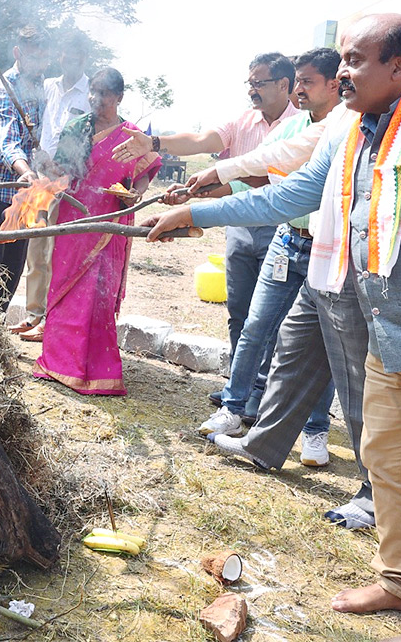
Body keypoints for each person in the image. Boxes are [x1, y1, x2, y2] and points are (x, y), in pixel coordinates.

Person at [145, 14, 401, 642]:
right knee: (385, 460)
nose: (342, 73)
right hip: (389, 330)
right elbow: (290, 194)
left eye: (355, 61)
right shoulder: (352, 127)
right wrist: (197, 210)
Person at [182, 49, 344, 462]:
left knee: (320, 343)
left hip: (327, 248)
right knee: (255, 326)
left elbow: (269, 166)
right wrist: (198, 195)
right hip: (288, 240)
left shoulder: (345, 127)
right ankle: (233, 409)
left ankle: (315, 430)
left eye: (307, 81)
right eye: (299, 81)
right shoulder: (292, 127)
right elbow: (257, 178)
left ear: (332, 84)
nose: (300, 89)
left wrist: (218, 177)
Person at [112, 53, 298, 363]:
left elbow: (264, 180)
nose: (252, 90)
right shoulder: (242, 121)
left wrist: (195, 195)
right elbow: (200, 140)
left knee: (273, 317)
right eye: (249, 83)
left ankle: (264, 393)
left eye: (259, 83)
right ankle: (237, 387)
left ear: (283, 84)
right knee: (239, 310)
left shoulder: (301, 124)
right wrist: (154, 143)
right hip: (239, 224)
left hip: (281, 229)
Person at [33, 68, 159, 395]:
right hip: (74, 216)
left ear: (119, 97)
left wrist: (138, 192)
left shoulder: (132, 135)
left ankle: (97, 370)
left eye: (104, 94)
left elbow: (145, 173)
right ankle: (57, 364)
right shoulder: (76, 127)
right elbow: (63, 172)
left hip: (110, 221)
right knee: (64, 286)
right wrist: (46, 166)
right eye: (93, 92)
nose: (96, 100)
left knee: (98, 293)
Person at [14, 31, 92, 341]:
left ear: (84, 60)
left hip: (71, 185)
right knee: (37, 249)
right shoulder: (48, 87)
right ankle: (33, 314)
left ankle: (53, 320)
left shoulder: (90, 95)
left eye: (76, 58)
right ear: (59, 56)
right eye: (65, 56)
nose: (69, 62)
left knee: (59, 253)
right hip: (41, 179)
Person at [0, 25, 51, 311]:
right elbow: (8, 139)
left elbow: (41, 137)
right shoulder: (4, 88)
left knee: (14, 264)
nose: (38, 65)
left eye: (43, 59)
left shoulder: (44, 85)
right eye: (33, 58)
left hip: (26, 191)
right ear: (18, 53)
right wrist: (25, 171)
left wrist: (45, 167)